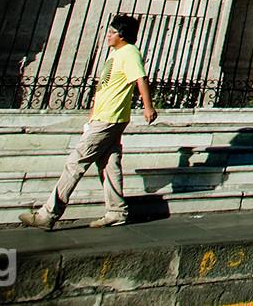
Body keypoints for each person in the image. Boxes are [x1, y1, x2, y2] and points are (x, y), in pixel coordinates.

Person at [19, 15, 156, 230]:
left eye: (112, 32)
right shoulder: (116, 55)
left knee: (76, 162)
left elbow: (140, 79)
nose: (108, 35)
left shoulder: (130, 52)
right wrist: (92, 112)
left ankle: (48, 213)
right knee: (109, 165)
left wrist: (148, 107)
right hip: (104, 116)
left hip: (110, 117)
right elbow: (104, 86)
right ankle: (117, 211)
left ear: (122, 35)